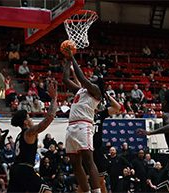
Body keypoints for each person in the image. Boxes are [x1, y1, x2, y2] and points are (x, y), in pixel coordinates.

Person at [62, 48, 104, 193]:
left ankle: (96, 191)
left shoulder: (96, 91)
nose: (91, 76)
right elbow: (66, 80)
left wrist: (72, 57)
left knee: (88, 160)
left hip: (83, 125)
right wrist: (67, 60)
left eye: (94, 77)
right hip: (71, 127)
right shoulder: (81, 91)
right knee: (75, 163)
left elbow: (83, 80)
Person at [7, 80, 57, 193]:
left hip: (16, 169)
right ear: (25, 122)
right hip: (25, 169)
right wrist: (54, 99)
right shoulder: (29, 132)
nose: (31, 119)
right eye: (29, 117)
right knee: (47, 191)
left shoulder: (20, 135)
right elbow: (47, 120)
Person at [93, 94, 121, 193]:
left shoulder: (100, 115)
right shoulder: (83, 113)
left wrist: (107, 96)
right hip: (86, 149)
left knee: (101, 181)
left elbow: (117, 107)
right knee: (85, 183)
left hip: (97, 150)